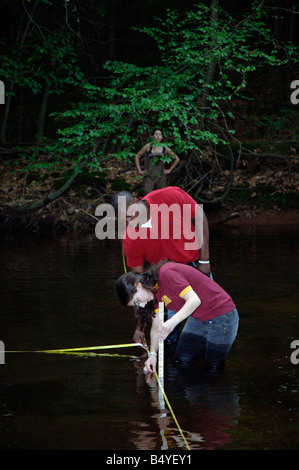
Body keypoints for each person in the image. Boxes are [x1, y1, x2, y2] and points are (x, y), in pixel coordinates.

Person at [111, 186, 211, 346]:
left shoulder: (168, 196)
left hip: (196, 265)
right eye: (123, 220)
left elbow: (200, 216)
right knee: (168, 336)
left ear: (137, 202)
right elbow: (139, 284)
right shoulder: (130, 239)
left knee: (208, 319)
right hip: (167, 278)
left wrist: (204, 261)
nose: (129, 222)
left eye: (130, 215)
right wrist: (140, 327)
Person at [115, 261, 239, 374]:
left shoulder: (166, 274)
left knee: (213, 368)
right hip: (198, 318)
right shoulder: (153, 293)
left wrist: (171, 322)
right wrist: (152, 354)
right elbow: (157, 324)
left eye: (137, 301)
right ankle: (191, 394)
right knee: (182, 359)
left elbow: (194, 300)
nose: (142, 305)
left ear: (138, 285)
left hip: (222, 315)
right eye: (136, 305)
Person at [135, 129, 180, 195]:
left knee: (160, 195)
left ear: (162, 137)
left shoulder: (164, 148)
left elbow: (177, 158)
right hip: (149, 175)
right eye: (156, 134)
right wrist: (140, 170)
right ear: (153, 136)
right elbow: (137, 156)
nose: (158, 136)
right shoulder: (148, 146)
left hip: (161, 175)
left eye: (160, 134)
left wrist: (169, 170)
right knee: (146, 193)